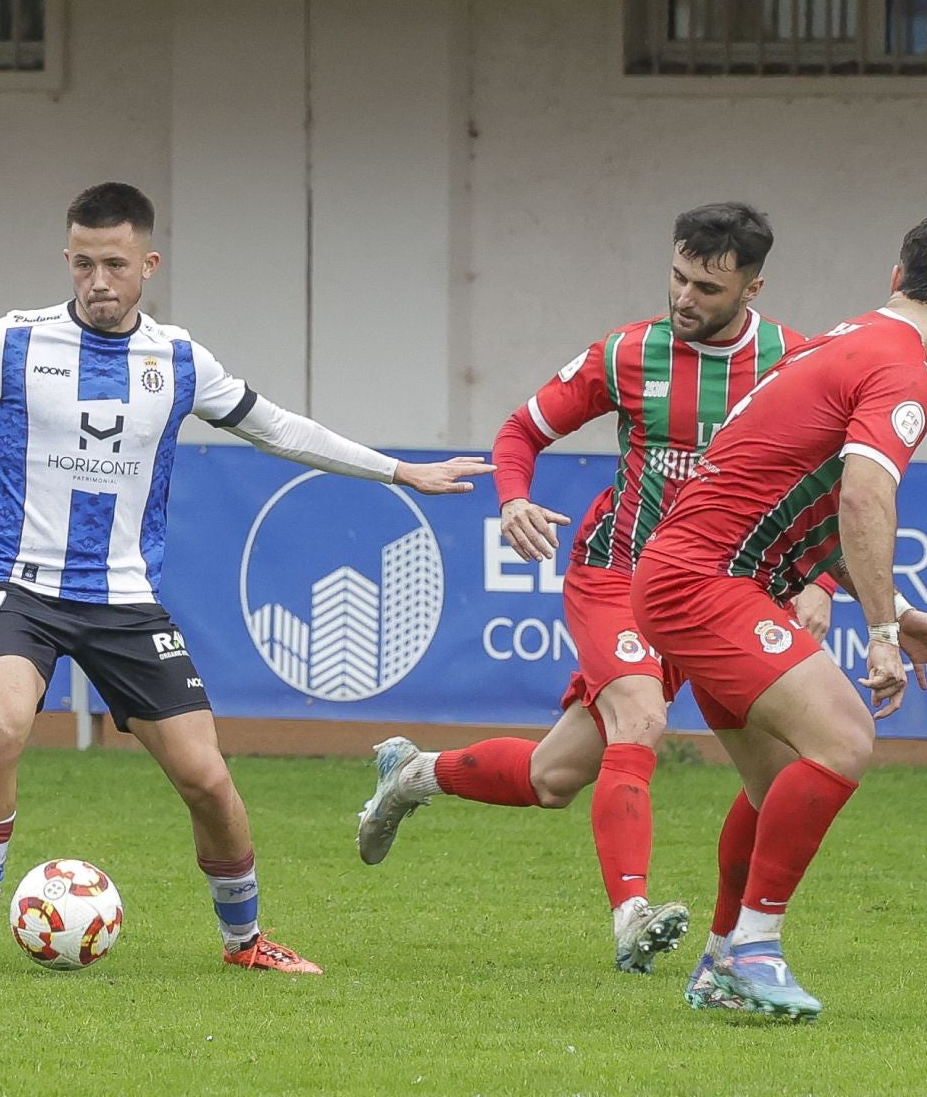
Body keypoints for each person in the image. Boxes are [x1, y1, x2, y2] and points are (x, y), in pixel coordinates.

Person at [0, 182, 493, 976]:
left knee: (209, 781)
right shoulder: (14, 341)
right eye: (83, 263)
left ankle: (244, 943)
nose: (98, 281)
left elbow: (279, 428)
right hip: (19, 586)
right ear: (68, 260)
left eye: (115, 263)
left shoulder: (179, 360)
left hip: (124, 601)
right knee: (2, 728)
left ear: (148, 263)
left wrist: (400, 473)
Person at [355, 203, 831, 980]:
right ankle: (632, 918)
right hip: (620, 574)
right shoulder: (629, 353)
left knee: (555, 778)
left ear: (752, 286)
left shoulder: (795, 362)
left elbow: (832, 473)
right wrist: (512, 497)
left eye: (707, 289)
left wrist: (820, 575)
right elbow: (520, 431)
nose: (684, 298)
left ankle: (411, 775)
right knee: (640, 717)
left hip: (719, 592)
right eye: (677, 277)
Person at [632, 212, 927, 1019]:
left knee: (771, 784)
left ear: (896, 277)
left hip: (699, 576)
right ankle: (755, 952)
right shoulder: (904, 373)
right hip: (708, 581)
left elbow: (802, 498)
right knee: (844, 739)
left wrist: (892, 604)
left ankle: (723, 960)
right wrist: (881, 634)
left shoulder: (843, 339)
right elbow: (864, 496)